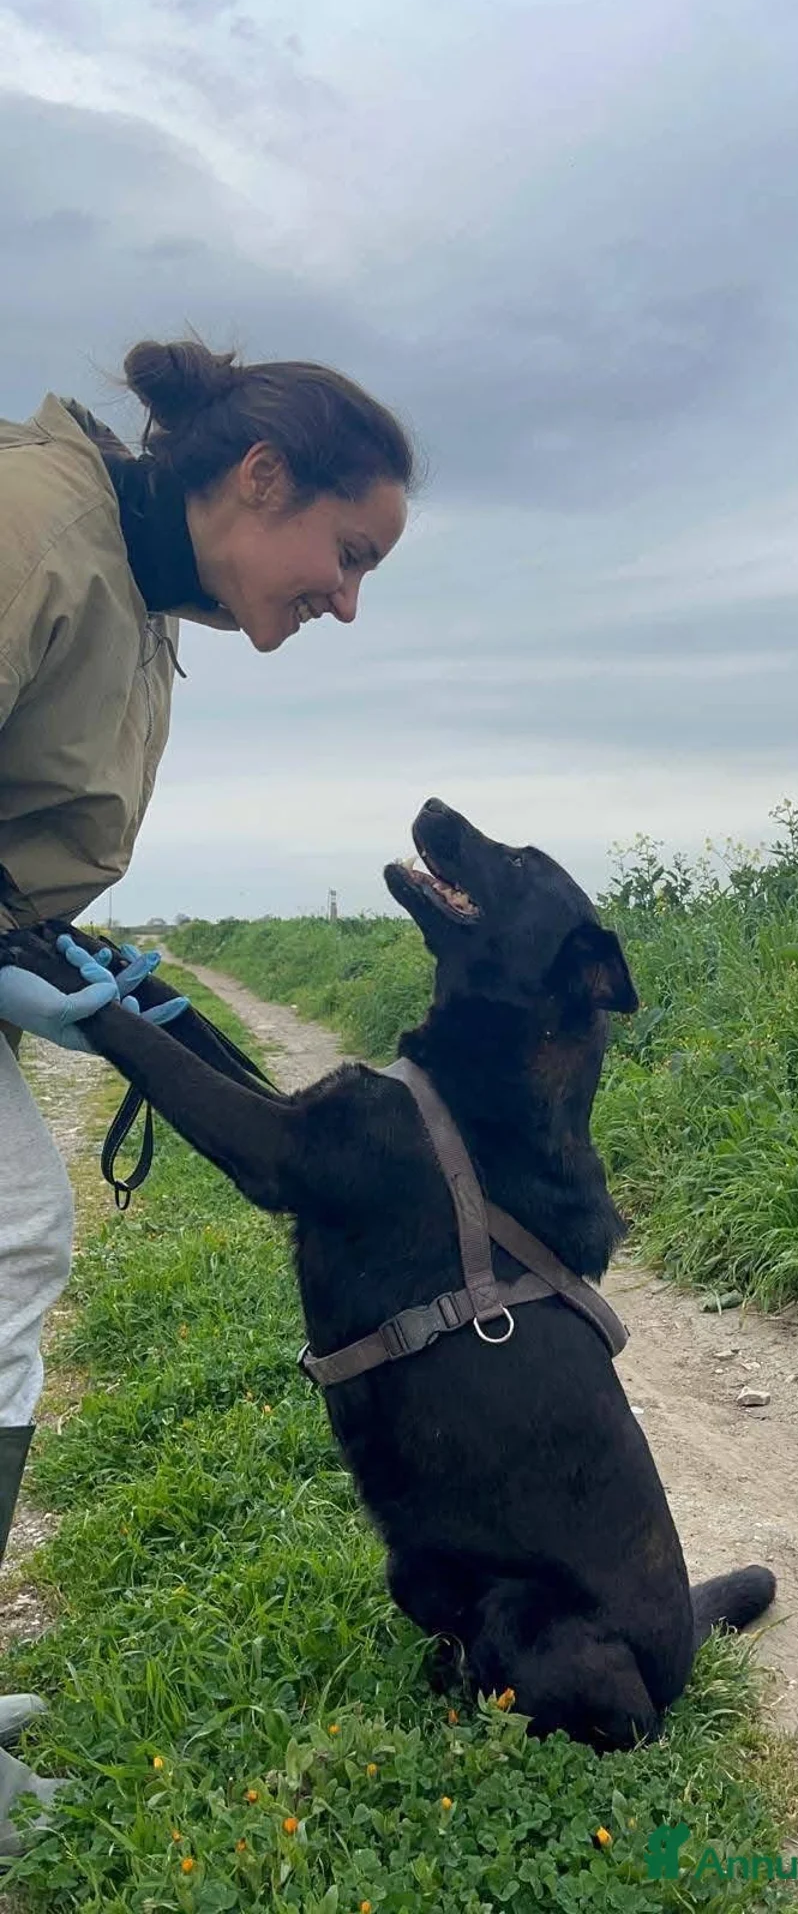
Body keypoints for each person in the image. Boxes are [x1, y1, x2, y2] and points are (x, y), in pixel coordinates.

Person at [0, 337, 414, 1848]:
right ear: (258, 478)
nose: (349, 599)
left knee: (14, 1246)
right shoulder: (34, 528)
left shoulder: (136, 575)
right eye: (347, 552)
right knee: (7, 1246)